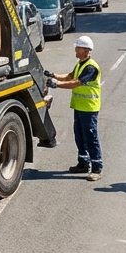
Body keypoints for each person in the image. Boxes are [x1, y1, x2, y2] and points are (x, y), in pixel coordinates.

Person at [50, 35, 103, 181]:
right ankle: (83, 163)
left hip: (89, 108)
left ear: (87, 50)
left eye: (78, 47)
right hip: (79, 107)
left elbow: (76, 83)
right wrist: (53, 75)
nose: (75, 49)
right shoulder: (80, 64)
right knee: (79, 135)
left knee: (91, 137)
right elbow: (69, 76)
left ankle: (97, 168)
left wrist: (56, 85)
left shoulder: (91, 67)